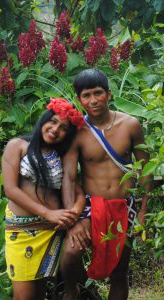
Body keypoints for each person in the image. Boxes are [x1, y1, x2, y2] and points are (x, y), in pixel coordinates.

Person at [60, 69, 152, 300]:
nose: (93, 100)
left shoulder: (130, 124)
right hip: (92, 207)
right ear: (79, 99)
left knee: (119, 272)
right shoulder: (77, 132)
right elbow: (69, 178)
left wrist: (143, 211)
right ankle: (74, 290)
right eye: (86, 95)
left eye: (98, 93)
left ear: (109, 94)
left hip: (126, 206)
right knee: (71, 254)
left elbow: (145, 170)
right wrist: (73, 220)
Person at [2, 97, 86, 300]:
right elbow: (11, 190)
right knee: (24, 296)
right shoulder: (18, 145)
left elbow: (79, 194)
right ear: (44, 119)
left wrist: (73, 214)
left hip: (51, 232)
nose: (55, 129)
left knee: (39, 294)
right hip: (21, 233)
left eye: (64, 128)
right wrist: (49, 212)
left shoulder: (62, 156)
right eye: (53, 121)